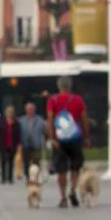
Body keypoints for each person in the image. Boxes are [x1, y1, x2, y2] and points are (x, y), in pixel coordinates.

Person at [46, 76, 90, 208]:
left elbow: (50, 120)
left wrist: (52, 137)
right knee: (75, 166)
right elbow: (84, 119)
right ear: (70, 87)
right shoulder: (78, 100)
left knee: (61, 169)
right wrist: (86, 137)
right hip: (75, 138)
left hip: (59, 140)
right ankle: (72, 190)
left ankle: (63, 197)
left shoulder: (52, 100)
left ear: (59, 87)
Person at [19, 101, 46, 181]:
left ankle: (36, 177)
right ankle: (28, 177)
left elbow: (44, 131)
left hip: (36, 144)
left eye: (31, 109)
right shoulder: (21, 120)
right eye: (28, 109)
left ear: (34, 110)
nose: (30, 111)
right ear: (26, 110)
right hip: (25, 144)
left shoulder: (40, 120)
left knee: (36, 162)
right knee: (26, 162)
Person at [0, 105, 21, 184]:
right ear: (5, 112)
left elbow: (18, 134)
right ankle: (3, 178)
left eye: (11, 112)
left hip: (12, 143)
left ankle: (10, 178)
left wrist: (19, 144)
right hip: (3, 143)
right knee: (3, 161)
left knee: (11, 161)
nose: (9, 113)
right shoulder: (1, 121)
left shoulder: (16, 122)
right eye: (8, 111)